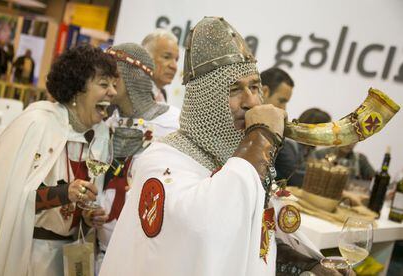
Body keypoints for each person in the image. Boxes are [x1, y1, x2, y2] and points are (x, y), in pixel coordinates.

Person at [100, 17, 338, 276]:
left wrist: (308, 265)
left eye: (255, 87)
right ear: (205, 102)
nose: (250, 102)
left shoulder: (238, 163)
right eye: (235, 89)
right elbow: (206, 230)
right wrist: (260, 137)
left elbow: (248, 243)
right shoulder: (161, 160)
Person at [0, 45, 118, 276]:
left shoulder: (99, 136)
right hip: (28, 255)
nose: (112, 92)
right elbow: (6, 197)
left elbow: (79, 208)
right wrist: (63, 193)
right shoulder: (36, 123)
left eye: (114, 85)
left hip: (69, 259)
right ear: (78, 89)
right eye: (103, 84)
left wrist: (88, 219)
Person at [96, 43, 180, 271]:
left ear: (135, 75)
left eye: (113, 74)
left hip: (141, 257)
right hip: (100, 250)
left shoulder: (172, 123)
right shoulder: (106, 125)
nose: (108, 84)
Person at [277, 108, 332, 187]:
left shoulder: (309, 148)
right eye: (325, 130)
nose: (327, 134)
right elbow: (294, 178)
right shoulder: (287, 144)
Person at [142, 29, 179, 102]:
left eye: (176, 60)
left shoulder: (162, 93)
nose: (174, 66)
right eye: (166, 57)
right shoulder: (133, 93)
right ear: (146, 57)